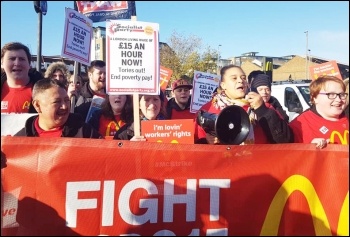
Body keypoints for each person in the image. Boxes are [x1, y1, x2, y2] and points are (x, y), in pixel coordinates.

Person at [195, 65, 293, 144]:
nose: (240, 80)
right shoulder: (208, 110)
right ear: (223, 85)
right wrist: (206, 142)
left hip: (258, 165)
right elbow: (197, 147)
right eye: (234, 78)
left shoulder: (262, 106)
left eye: (243, 78)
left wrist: (262, 110)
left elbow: (285, 139)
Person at [14, 78, 102, 138]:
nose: (64, 106)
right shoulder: (21, 139)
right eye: (57, 102)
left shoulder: (85, 133)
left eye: (67, 100)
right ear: (37, 105)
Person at [289, 75, 348, 148]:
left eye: (341, 95)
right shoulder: (299, 125)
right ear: (314, 98)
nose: (338, 100)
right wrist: (309, 148)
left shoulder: (347, 117)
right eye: (331, 94)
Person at [1, 42, 44, 113]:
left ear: (29, 64)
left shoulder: (45, 90)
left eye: (22, 59)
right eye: (12, 59)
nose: (17, 63)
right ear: (2, 63)